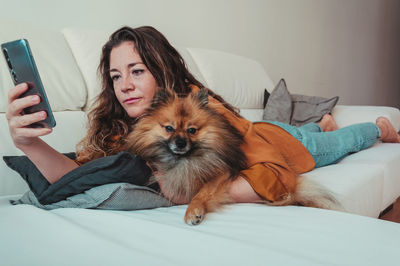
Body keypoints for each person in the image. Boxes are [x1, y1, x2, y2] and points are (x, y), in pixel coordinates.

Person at [6, 26, 400, 205]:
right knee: (315, 130)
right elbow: (79, 177)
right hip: (268, 132)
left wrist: (195, 194)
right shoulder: (119, 125)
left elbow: (277, 173)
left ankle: (376, 127)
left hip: (282, 143)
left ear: (161, 71)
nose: (123, 85)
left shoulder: (200, 111)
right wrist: (30, 143)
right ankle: (317, 121)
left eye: (137, 70)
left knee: (337, 142)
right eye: (115, 75)